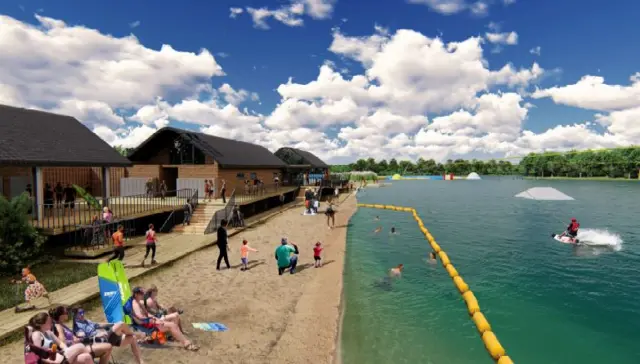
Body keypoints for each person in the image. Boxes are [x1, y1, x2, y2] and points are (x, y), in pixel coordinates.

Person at [129, 287, 199, 351]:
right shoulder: (135, 305)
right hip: (149, 326)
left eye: (143, 293)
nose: (143, 295)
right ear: (136, 295)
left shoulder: (138, 302)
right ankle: (186, 344)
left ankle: (173, 336)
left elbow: (147, 314)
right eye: (141, 294)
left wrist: (156, 319)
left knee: (175, 316)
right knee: (172, 325)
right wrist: (155, 321)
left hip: (152, 321)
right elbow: (140, 318)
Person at [28, 312, 95, 364]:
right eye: (49, 322)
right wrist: (51, 362)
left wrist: (67, 350)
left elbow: (60, 343)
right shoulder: (37, 334)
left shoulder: (49, 332)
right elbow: (38, 355)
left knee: (87, 357)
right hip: (52, 361)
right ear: (42, 324)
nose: (51, 323)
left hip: (61, 356)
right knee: (80, 346)